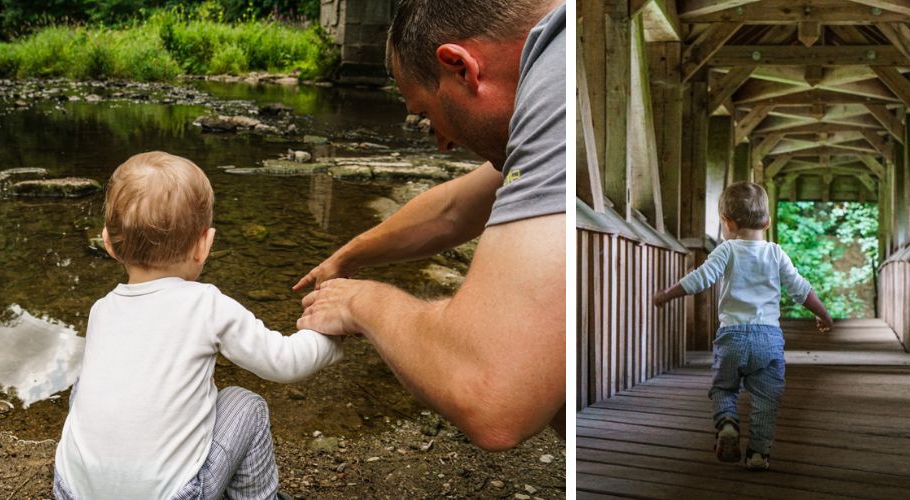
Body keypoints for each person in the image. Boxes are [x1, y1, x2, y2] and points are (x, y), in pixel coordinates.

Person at [293, 0, 566, 451]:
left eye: (424, 111)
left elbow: (492, 399)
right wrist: (349, 255)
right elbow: (456, 208)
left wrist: (361, 301)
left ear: (460, 67)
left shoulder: (553, 79)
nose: (441, 143)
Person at [54, 152, 343, 499]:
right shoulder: (206, 304)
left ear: (108, 245)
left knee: (85, 385)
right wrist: (332, 335)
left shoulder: (101, 310)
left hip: (71, 491)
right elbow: (284, 362)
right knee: (246, 404)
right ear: (204, 245)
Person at [653, 181, 833, 471]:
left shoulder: (727, 251)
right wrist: (823, 314)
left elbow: (699, 279)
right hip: (769, 339)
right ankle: (758, 453)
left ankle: (727, 422)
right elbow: (800, 289)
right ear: (768, 221)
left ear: (727, 222)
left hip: (732, 337)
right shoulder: (776, 253)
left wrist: (666, 295)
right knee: (767, 399)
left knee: (724, 388)